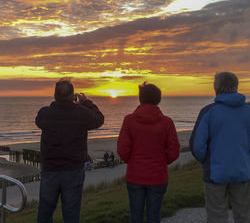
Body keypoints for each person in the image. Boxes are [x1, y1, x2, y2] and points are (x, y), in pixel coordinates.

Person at [189, 72, 250, 223]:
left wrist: (207, 161)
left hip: (216, 172)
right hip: (242, 171)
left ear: (216, 88)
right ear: (236, 87)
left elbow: (197, 146)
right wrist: (244, 157)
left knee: (217, 216)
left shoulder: (209, 112)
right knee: (243, 215)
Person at [36, 78, 104, 223]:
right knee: (71, 214)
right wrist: (86, 103)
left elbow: (40, 120)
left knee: (45, 213)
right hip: (73, 171)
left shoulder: (45, 113)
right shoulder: (82, 113)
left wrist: (56, 104)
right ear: (73, 96)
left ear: (55, 95)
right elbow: (99, 119)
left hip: (50, 171)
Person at [117, 82, 180, 223]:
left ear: (140, 98)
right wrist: (162, 161)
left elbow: (122, 150)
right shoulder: (167, 122)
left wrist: (133, 161)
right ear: (158, 99)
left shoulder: (129, 120)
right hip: (158, 176)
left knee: (136, 215)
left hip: (135, 175)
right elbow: (174, 151)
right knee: (154, 215)